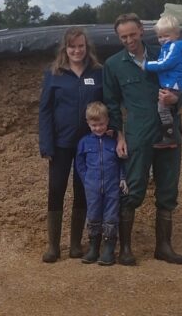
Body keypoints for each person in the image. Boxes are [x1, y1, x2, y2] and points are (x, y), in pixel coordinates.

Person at [103, 13, 182, 266]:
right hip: (138, 134)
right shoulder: (114, 64)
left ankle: (164, 247)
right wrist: (119, 135)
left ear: (142, 30)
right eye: (123, 37)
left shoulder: (166, 53)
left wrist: (176, 98)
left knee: (168, 189)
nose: (129, 40)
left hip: (168, 131)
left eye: (132, 34)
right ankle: (125, 249)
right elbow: (111, 103)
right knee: (132, 188)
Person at [38, 26, 104, 263]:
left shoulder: (98, 73)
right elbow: (45, 111)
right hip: (60, 143)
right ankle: (53, 246)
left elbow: (106, 105)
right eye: (72, 46)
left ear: (87, 47)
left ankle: (75, 243)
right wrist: (46, 144)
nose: (77, 51)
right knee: (56, 189)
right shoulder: (54, 74)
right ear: (65, 48)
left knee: (82, 190)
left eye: (81, 46)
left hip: (88, 143)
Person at [75, 102, 128, 266]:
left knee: (111, 216)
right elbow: (80, 163)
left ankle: (108, 250)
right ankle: (93, 248)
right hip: (92, 187)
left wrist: (122, 178)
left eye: (101, 124)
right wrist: (87, 179)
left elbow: (121, 162)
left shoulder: (113, 141)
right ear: (88, 123)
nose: (98, 128)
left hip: (112, 186)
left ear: (107, 121)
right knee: (93, 215)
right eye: (94, 125)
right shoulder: (84, 142)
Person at [143, 15, 182, 148]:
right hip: (173, 82)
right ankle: (173, 132)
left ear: (176, 34)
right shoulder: (169, 47)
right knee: (168, 108)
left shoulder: (174, 47)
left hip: (174, 84)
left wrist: (146, 65)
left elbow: (165, 64)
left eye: (166, 35)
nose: (162, 39)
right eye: (159, 36)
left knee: (162, 108)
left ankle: (170, 136)